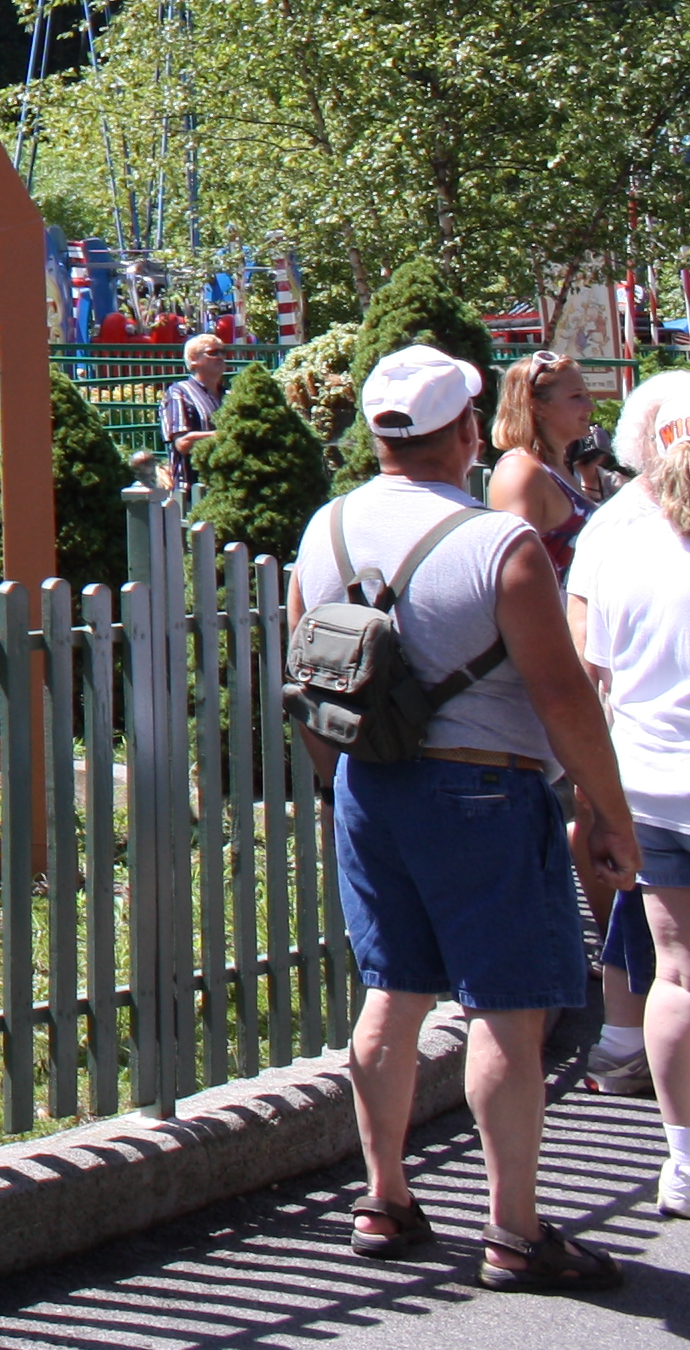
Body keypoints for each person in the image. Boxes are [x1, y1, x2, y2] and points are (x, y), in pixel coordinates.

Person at [296, 344, 637, 1287]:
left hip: (371, 788)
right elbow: (564, 698)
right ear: (467, 432)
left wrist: (340, 787)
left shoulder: (325, 529)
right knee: (508, 1012)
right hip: (486, 791)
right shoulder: (499, 543)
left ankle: (384, 1199)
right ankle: (515, 1231)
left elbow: (308, 679)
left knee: (392, 992)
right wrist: (608, 813)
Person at [568, 422, 690, 1193]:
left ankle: (683, 1160)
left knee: (675, 974)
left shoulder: (624, 551)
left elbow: (598, 674)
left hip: (651, 783)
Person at [490, 350, 605, 576]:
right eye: (576, 396)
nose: (590, 406)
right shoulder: (520, 472)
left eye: (587, 395)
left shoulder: (556, 468)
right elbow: (514, 571)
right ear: (538, 406)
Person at [160, 332, 231, 493]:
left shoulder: (229, 395)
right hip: (192, 491)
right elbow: (183, 443)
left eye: (223, 352)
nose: (221, 357)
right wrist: (226, 436)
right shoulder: (179, 392)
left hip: (227, 487)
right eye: (213, 353)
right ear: (193, 359)